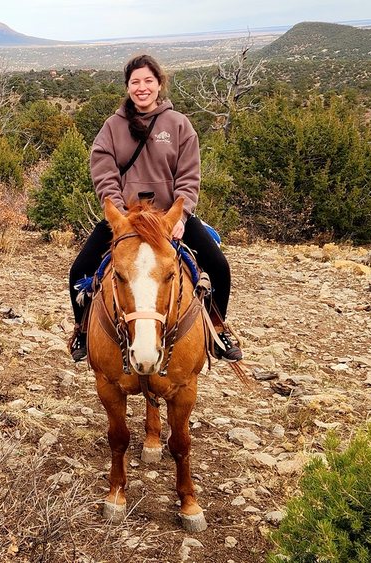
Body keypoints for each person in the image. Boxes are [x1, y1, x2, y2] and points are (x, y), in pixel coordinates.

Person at [68, 54, 242, 363]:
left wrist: (182, 214)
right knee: (79, 270)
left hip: (169, 218)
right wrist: (120, 216)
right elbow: (103, 170)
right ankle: (82, 330)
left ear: (159, 84)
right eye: (135, 82)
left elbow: (189, 175)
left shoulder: (178, 125)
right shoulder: (112, 127)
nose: (142, 87)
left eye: (148, 80)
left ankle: (217, 327)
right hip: (126, 219)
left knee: (219, 266)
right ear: (128, 87)